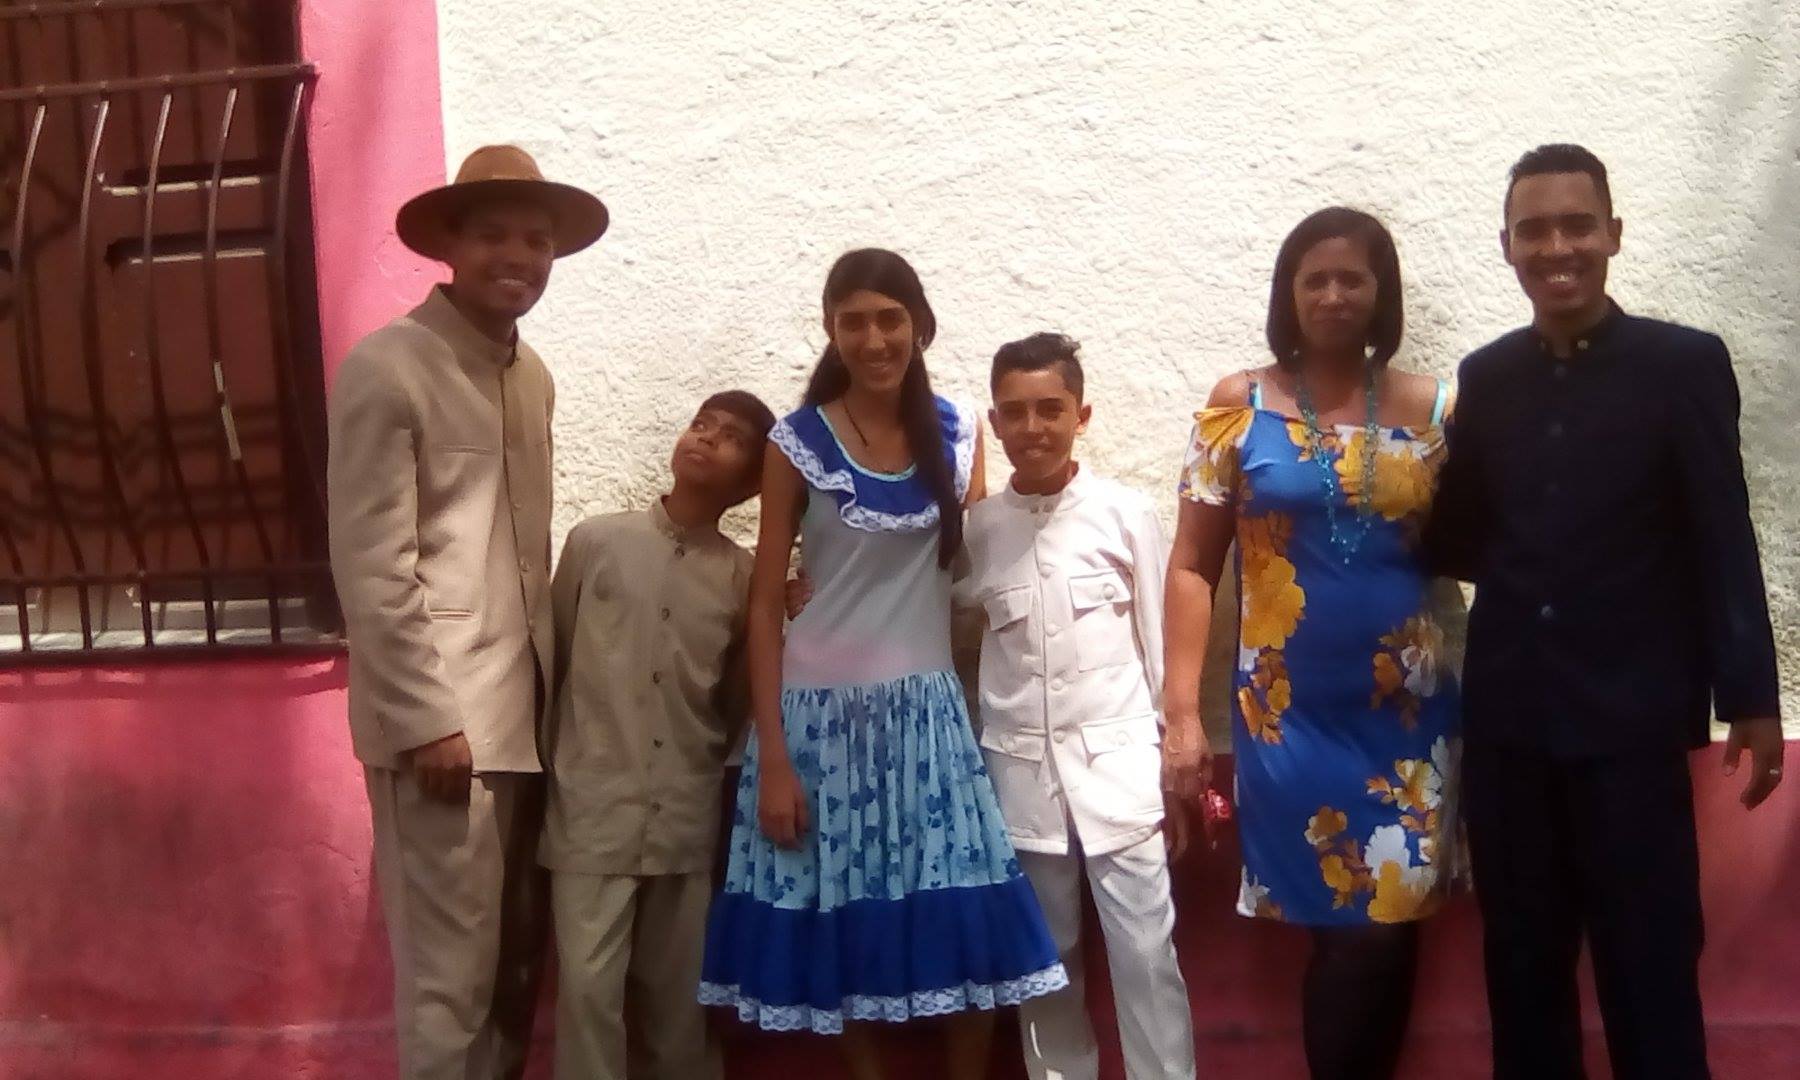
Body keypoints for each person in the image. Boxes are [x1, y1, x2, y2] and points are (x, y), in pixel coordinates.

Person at [1425, 143, 1784, 1080]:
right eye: (1534, 230)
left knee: (1651, 967)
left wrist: (1752, 695)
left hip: (1633, 725)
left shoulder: (1682, 364)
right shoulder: (1487, 377)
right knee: (1522, 968)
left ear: (1613, 234)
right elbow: (1463, 536)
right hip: (1510, 727)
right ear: (1507, 246)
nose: (1557, 247)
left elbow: (1721, 531)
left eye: (1577, 225)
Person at [698, 248, 1066, 1080]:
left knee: (970, 932)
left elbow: (976, 563)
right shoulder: (796, 442)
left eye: (890, 319)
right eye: (854, 321)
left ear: (920, 326)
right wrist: (773, 758)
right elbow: (763, 605)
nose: (874, 339)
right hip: (816, 724)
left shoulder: (959, 431)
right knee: (842, 928)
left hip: (929, 718)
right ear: (831, 331)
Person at [326, 144, 607, 1080]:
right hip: (443, 733)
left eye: (538, 239)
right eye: (493, 235)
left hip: (525, 723)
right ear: (449, 244)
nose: (518, 256)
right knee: (448, 984)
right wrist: (425, 719)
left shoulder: (532, 377)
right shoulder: (388, 368)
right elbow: (372, 563)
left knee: (512, 973)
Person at [1166, 208, 1462, 1079]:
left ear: (1382, 294)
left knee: (1393, 925)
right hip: (1287, 717)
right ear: (1288, 294)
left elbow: (1484, 544)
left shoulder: (1438, 410)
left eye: (1352, 279)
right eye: (1315, 279)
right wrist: (1180, 715)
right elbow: (1192, 567)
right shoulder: (1241, 405)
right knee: (1347, 929)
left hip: (1411, 719)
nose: (1334, 295)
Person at [962, 332, 1199, 1079]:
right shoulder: (977, 531)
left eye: (1050, 409)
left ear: (1081, 415)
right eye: (1014, 412)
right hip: (1022, 778)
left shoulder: (1125, 513)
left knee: (1147, 953)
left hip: (1119, 772)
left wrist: (1174, 764)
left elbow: (1159, 644)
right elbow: (931, 616)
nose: (1032, 427)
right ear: (995, 423)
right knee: (1047, 962)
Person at [539, 391, 775, 1080]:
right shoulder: (596, 543)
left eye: (731, 437)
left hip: (683, 816)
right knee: (588, 995)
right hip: (591, 813)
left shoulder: (741, 577)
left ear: (752, 483)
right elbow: (553, 663)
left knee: (679, 1001)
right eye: (701, 424)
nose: (706, 438)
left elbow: (735, 700)